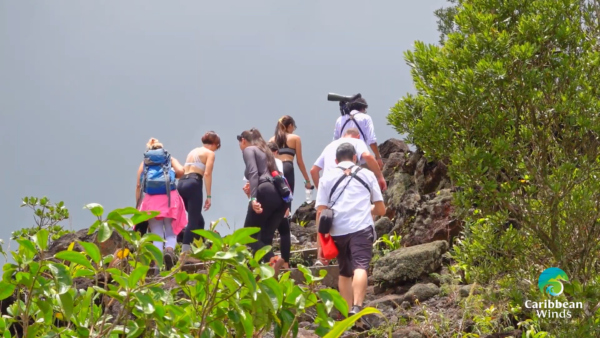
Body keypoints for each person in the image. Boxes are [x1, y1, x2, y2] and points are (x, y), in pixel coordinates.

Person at [315, 142, 386, 329]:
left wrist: (320, 245)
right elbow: (381, 209)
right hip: (361, 228)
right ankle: (357, 307)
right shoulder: (368, 174)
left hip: (337, 231)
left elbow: (321, 213)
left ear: (336, 160)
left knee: (345, 272)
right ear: (355, 157)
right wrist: (368, 208)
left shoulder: (326, 178)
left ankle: (348, 316)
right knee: (360, 267)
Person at [239, 128, 288, 274]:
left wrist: (253, 198)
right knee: (265, 238)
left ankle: (273, 260)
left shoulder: (249, 150)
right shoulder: (266, 151)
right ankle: (264, 272)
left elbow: (253, 173)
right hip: (280, 196)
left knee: (247, 235)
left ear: (243, 140)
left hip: (264, 190)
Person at [136, 138, 187, 271]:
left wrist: (138, 206)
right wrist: (172, 175)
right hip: (169, 198)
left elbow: (138, 185)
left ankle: (157, 267)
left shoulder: (145, 163)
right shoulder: (169, 159)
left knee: (156, 234)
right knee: (171, 232)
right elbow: (181, 171)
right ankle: (169, 251)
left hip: (151, 201)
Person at [177, 131, 220, 263]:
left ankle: (197, 250)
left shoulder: (193, 151)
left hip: (182, 183)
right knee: (193, 221)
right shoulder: (210, 153)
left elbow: (183, 170)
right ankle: (185, 254)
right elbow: (207, 173)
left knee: (199, 222)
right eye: (217, 148)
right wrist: (209, 196)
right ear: (215, 144)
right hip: (194, 183)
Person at [311, 128, 387, 191]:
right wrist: (380, 177)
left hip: (328, 185)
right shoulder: (357, 141)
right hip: (346, 184)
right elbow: (367, 156)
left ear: (343, 135)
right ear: (358, 136)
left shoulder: (329, 146)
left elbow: (313, 170)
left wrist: (322, 192)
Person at [269, 115, 314, 200]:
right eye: (293, 127)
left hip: (275, 169)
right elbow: (299, 162)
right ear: (290, 125)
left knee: (275, 197)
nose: (293, 130)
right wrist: (307, 181)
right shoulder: (295, 138)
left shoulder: (271, 140)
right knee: (287, 198)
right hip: (287, 166)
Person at [332, 97, 384, 170]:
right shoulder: (365, 118)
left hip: (342, 161)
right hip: (360, 160)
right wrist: (378, 157)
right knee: (373, 177)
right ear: (362, 108)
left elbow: (335, 142)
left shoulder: (340, 120)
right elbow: (372, 140)